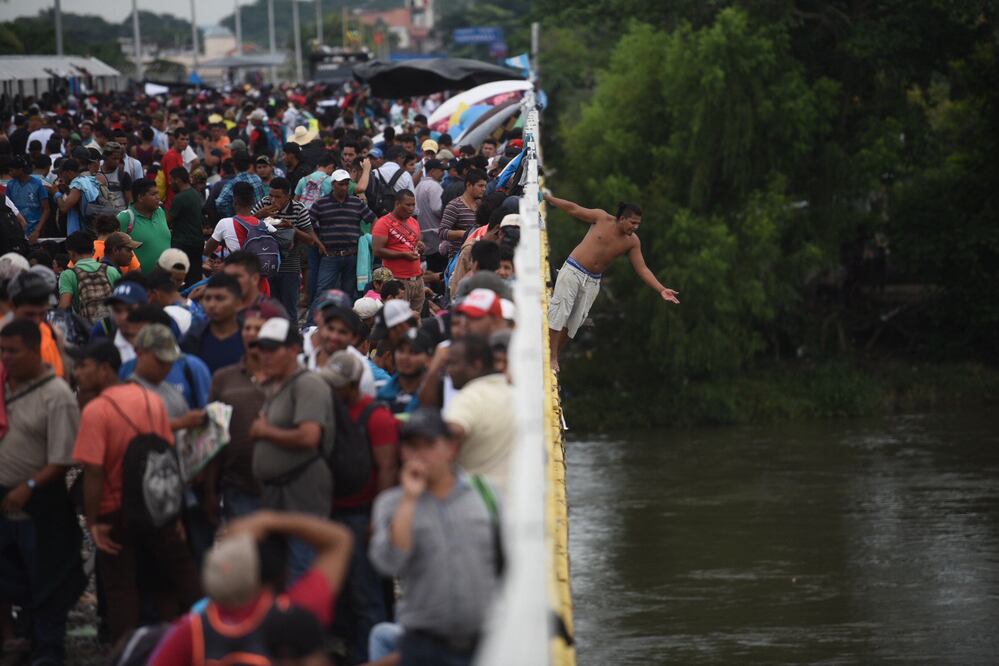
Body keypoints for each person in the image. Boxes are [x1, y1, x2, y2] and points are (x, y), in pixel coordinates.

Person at [71, 339, 202, 644]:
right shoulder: (150, 399)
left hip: (114, 511)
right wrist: (174, 511)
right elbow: (166, 454)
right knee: (176, 577)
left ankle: (127, 651)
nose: (78, 373)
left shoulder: (97, 411)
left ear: (105, 369)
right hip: (156, 505)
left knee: (121, 590)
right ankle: (200, 638)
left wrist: (93, 522)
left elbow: (93, 471)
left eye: (84, 366)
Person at [369, 408, 503, 666]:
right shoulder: (391, 504)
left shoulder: (485, 494)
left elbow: (507, 560)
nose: (420, 455)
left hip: (484, 641)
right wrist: (409, 499)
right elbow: (389, 563)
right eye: (411, 446)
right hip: (423, 645)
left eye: (429, 444)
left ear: (450, 448)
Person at [148, 510, 353, 666]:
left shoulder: (196, 627)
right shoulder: (296, 611)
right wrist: (271, 520)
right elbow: (340, 540)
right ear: (283, 572)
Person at [0, 320, 84, 666]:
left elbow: (63, 459)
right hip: (5, 504)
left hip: (40, 506)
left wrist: (29, 487)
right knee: (9, 579)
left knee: (47, 581)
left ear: (36, 351)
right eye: (2, 351)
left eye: (13, 351)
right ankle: (18, 639)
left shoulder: (57, 396)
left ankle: (48, 650)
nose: (6, 358)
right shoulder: (2, 388)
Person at [543, 194, 680, 369]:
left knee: (574, 322)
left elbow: (642, 269)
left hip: (592, 281)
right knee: (560, 311)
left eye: (638, 224)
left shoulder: (632, 242)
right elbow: (574, 209)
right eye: (633, 223)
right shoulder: (601, 218)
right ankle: (552, 357)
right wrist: (549, 198)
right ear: (622, 219)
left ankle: (555, 354)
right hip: (573, 270)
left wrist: (661, 289)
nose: (635, 227)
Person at [322, 351, 399, 662]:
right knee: (341, 591)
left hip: (361, 515)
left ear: (353, 385)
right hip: (335, 512)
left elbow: (387, 468)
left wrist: (377, 520)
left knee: (365, 593)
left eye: (337, 385)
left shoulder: (376, 417)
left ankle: (371, 656)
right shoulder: (332, 412)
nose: (332, 389)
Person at [249, 318, 335, 578]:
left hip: (301, 488)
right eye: (262, 349)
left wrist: (265, 432)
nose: (265, 356)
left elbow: (309, 436)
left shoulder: (308, 383)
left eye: (272, 349)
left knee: (301, 566)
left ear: (293, 350)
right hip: (278, 491)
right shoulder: (277, 384)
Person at [206, 308, 273, 521]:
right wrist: (210, 489)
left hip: (280, 487)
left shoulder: (286, 376)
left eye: (258, 329)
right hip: (238, 486)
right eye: (247, 328)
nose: (252, 333)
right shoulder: (224, 378)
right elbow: (213, 435)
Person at [443, 334, 516, 497]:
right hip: (515, 499)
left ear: (477, 364)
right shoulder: (514, 393)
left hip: (477, 499)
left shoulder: (469, 398)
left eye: (453, 363)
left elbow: (454, 430)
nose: (448, 371)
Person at [119, 306, 211, 411]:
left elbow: (206, 411)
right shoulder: (126, 369)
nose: (136, 342)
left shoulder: (191, 367)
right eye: (132, 336)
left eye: (143, 336)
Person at [252, 176, 320, 319]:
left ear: (288, 196)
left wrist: (292, 228)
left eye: (278, 197)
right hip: (266, 265)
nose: (273, 200)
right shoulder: (264, 203)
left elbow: (311, 240)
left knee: (289, 311)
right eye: (271, 195)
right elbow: (246, 224)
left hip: (289, 266)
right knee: (267, 311)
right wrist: (259, 215)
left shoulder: (298, 209)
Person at [309, 169, 376, 299]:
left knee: (349, 292)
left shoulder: (356, 202)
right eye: (341, 184)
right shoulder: (321, 203)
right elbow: (307, 224)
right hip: (330, 254)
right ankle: (317, 313)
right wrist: (318, 242)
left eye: (346, 184)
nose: (344, 187)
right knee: (323, 290)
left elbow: (373, 219)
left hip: (352, 255)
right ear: (333, 184)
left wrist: (369, 239)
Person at [373, 190, 426, 315]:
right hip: (398, 281)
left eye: (413, 205)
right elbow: (377, 250)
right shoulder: (383, 223)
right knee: (399, 318)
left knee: (416, 318)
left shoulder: (413, 222)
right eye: (408, 205)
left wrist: (421, 246)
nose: (411, 208)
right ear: (397, 204)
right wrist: (403, 255)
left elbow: (416, 243)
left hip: (417, 279)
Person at [180, 273, 244, 374]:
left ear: (238, 303)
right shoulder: (192, 338)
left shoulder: (250, 340)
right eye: (207, 298)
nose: (212, 305)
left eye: (220, 298)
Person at [57, 230, 121, 324]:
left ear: (71, 253)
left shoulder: (68, 275)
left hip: (88, 327)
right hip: (112, 325)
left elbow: (64, 306)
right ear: (93, 251)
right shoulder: (111, 270)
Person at [118, 178, 171, 273]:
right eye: (153, 194)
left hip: (165, 277)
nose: (158, 197)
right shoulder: (125, 218)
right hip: (138, 279)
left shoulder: (160, 211)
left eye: (158, 193)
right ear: (140, 198)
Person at [378, 327, 433, 415]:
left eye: (413, 352)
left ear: (429, 360)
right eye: (401, 350)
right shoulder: (382, 396)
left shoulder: (438, 396)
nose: (405, 357)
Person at [168, 167, 205, 287]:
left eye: (171, 180)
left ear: (178, 180)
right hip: (197, 243)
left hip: (182, 244)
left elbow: (167, 222)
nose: (170, 183)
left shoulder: (179, 198)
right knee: (194, 279)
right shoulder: (196, 194)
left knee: (179, 280)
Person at [439, 169, 486, 258]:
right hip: (458, 257)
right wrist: (465, 234)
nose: (484, 189)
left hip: (476, 257)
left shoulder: (480, 205)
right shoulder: (454, 205)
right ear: (469, 185)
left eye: (485, 186)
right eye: (480, 186)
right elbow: (442, 232)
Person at [5, 156, 49, 244]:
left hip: (35, 230)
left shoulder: (37, 184)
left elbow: (46, 209)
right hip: (18, 230)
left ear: (20, 170)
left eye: (12, 170)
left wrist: (37, 230)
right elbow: (8, 208)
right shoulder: (10, 185)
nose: (10, 173)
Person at [214, 151, 267, 219]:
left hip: (241, 222)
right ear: (249, 165)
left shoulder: (232, 183)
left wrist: (231, 217)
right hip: (258, 221)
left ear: (234, 165)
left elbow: (220, 202)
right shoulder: (257, 179)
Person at [414, 158, 445, 271]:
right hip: (435, 234)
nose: (443, 173)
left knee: (430, 267)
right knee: (438, 269)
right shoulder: (434, 186)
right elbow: (437, 208)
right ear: (432, 171)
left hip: (424, 232)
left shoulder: (419, 186)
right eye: (441, 170)